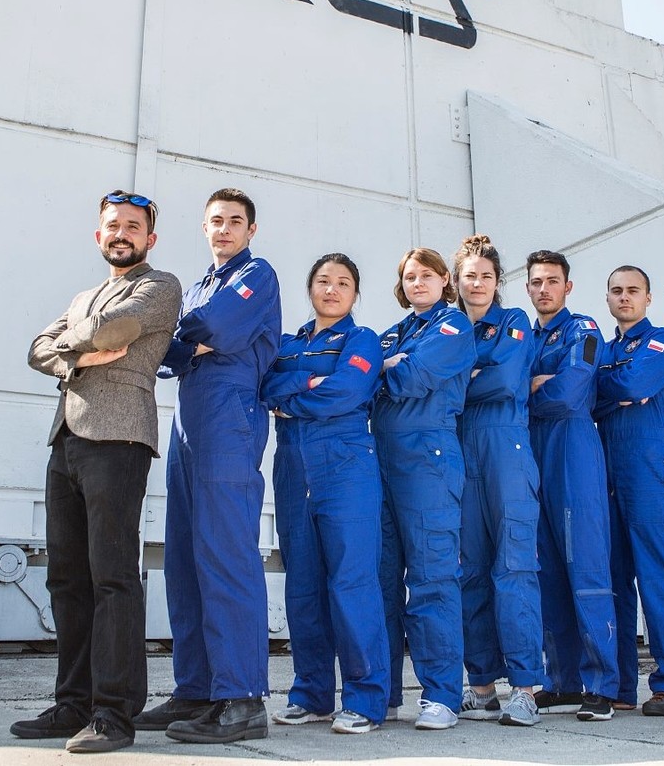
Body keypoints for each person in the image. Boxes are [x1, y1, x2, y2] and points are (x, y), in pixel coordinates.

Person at [14, 190, 182, 753]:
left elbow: (115, 330)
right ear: (98, 235)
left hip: (119, 439)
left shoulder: (160, 286)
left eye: (132, 226)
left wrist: (71, 342)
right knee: (67, 578)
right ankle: (74, 702)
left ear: (149, 238)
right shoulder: (84, 296)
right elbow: (36, 348)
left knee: (112, 577)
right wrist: (77, 354)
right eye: (113, 225)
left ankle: (114, 712)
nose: (121, 233)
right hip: (66, 440)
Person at [137, 188, 283, 743]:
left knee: (226, 555)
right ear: (204, 227)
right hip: (188, 424)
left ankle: (241, 699)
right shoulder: (199, 285)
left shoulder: (257, 275)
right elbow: (168, 353)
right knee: (184, 560)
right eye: (216, 221)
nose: (224, 229)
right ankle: (197, 689)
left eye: (235, 221)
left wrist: (190, 337)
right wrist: (189, 342)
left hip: (229, 421)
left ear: (250, 230)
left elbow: (215, 328)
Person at [260, 253, 391, 736]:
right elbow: (265, 387)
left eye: (342, 283)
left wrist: (292, 400)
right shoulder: (287, 344)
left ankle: (366, 699)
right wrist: (305, 382)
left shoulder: (363, 339)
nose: (331, 289)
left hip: (346, 468)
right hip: (294, 469)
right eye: (322, 281)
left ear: (355, 293)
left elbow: (348, 391)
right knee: (303, 584)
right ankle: (311, 694)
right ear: (310, 287)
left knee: (352, 583)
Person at [373, 247, 476, 730]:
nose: (418, 283)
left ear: (444, 281)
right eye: (410, 277)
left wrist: (384, 368)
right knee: (382, 581)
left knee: (433, 577)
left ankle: (441, 695)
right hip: (382, 461)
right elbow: (360, 380)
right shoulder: (393, 334)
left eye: (427, 275)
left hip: (428, 461)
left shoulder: (454, 327)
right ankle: (384, 694)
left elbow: (413, 377)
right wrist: (384, 364)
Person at [590, 265, 664, 716]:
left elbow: (636, 382)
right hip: (607, 470)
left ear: (648, 297)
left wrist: (617, 389)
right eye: (616, 290)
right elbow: (589, 396)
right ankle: (620, 685)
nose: (624, 297)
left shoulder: (663, 341)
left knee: (659, 574)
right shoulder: (604, 349)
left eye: (633, 290)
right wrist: (617, 391)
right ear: (607, 298)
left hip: (650, 468)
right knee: (614, 581)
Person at [451, 236, 544, 727]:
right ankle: (483, 685)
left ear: (497, 281)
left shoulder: (513, 322)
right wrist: (467, 376)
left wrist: (458, 380)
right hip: (458, 451)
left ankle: (525, 689)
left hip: (505, 450)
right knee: (469, 570)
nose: (478, 283)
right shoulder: (447, 327)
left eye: (486, 276)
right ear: (456, 281)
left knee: (514, 566)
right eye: (470, 275)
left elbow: (505, 380)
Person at [523, 250, 619, 722]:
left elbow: (569, 392)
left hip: (573, 451)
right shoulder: (523, 337)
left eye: (552, 281)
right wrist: (533, 385)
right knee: (545, 572)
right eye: (536, 282)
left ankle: (601, 685)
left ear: (568, 286)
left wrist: (533, 390)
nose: (544, 289)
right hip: (530, 453)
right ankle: (561, 682)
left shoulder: (585, 331)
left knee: (587, 568)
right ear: (527, 288)